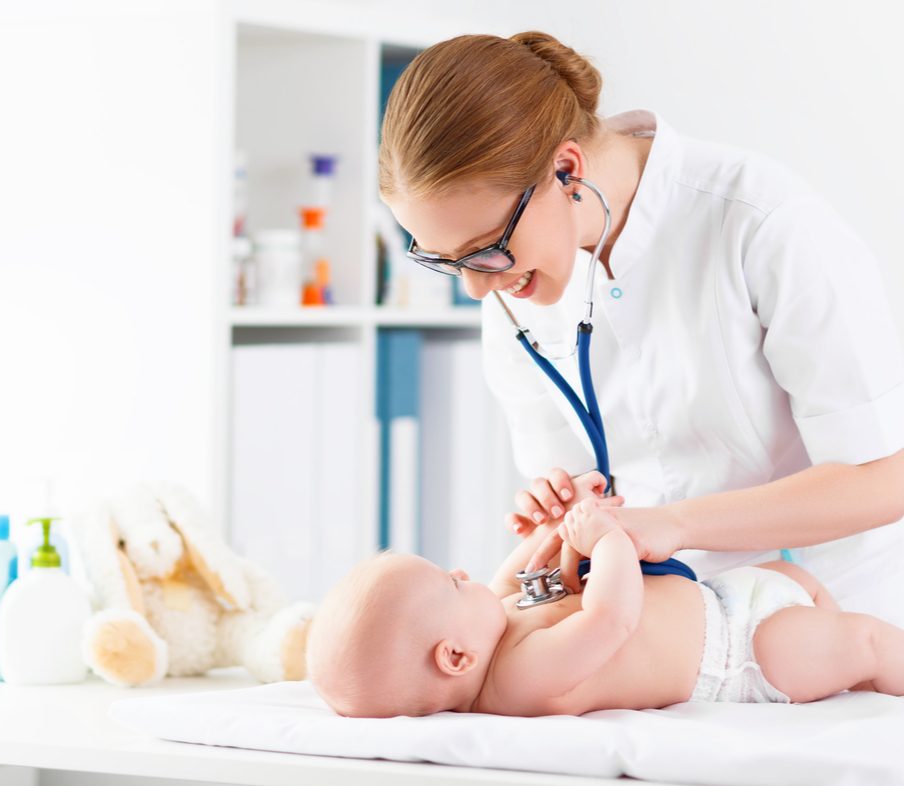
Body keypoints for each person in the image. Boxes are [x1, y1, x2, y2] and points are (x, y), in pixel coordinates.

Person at [378, 31, 904, 625]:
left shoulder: (763, 223)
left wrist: (676, 524)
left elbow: (883, 479)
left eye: (485, 249)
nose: (474, 286)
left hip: (829, 625)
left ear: (565, 169)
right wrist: (570, 504)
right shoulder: (511, 289)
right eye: (442, 259)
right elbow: (584, 476)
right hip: (666, 632)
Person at [305, 473, 903, 718]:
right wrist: (607, 540)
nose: (465, 572)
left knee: (807, 585)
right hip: (742, 655)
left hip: (727, 599)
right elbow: (610, 618)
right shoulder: (516, 679)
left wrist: (560, 518)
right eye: (449, 581)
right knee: (865, 641)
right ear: (453, 657)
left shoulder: (494, 624)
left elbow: (521, 576)